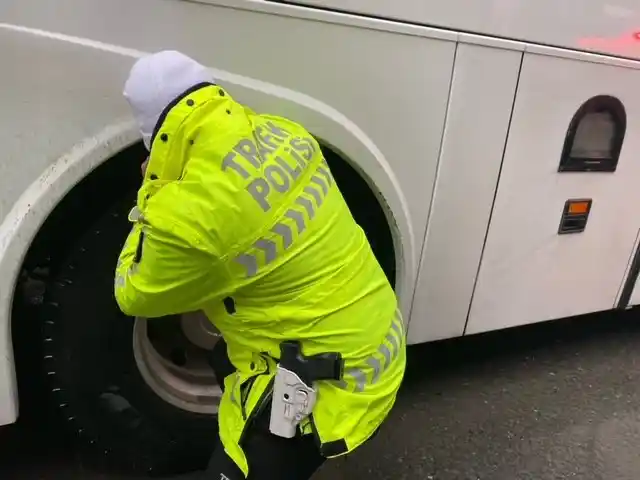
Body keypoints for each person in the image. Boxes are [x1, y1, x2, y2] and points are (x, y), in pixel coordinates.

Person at [114, 50, 406, 479]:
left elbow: (133, 291)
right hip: (380, 342)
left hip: (329, 383)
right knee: (222, 359)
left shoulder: (187, 211)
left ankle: (277, 450)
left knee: (238, 470)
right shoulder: (287, 133)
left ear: (153, 132)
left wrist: (152, 191)